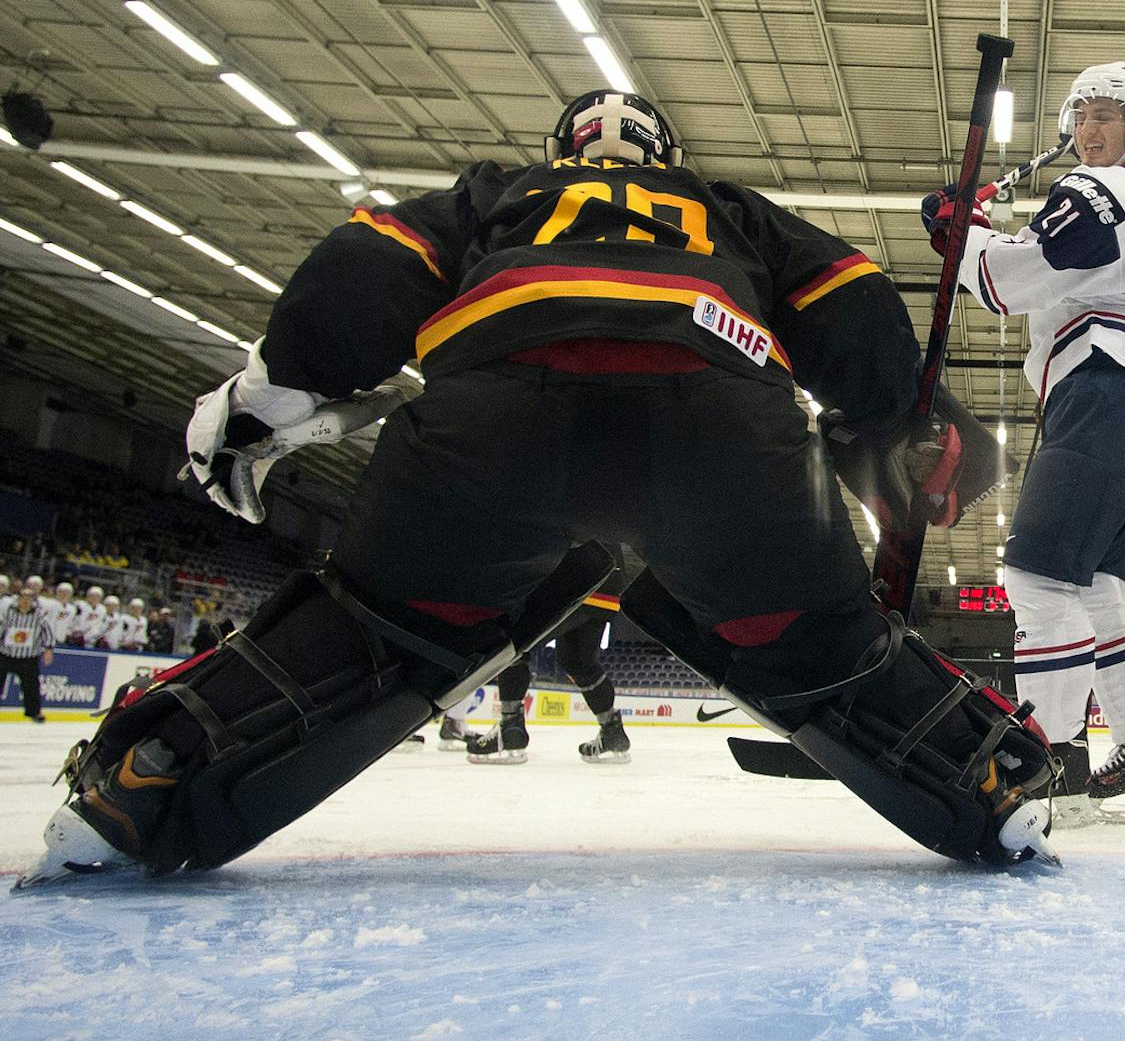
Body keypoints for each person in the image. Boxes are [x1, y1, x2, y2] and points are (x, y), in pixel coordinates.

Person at [21, 88, 1052, 889]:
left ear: (564, 152)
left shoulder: (495, 193)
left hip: (493, 417)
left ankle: (144, 782)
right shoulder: (731, 211)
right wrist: (895, 429)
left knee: (380, 627)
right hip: (720, 425)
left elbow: (364, 265)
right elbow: (852, 299)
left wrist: (275, 384)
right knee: (812, 637)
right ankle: (988, 778)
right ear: (668, 161)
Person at [924, 61, 1125, 826]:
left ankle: (1039, 770)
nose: (1090, 130)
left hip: (1114, 376)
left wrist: (962, 237)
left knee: (1037, 578)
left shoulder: (1107, 193)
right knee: (1098, 589)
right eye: (1081, 117)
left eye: (1108, 117)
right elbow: (1036, 258)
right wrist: (976, 233)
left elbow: (1006, 283)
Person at [465, 577, 632, 766]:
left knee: (514, 641)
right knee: (579, 662)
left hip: (570, 579)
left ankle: (511, 731)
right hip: (606, 584)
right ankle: (612, 732)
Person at [2, 583, 57, 721]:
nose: (25, 600)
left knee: (31, 686)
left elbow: (48, 632)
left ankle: (33, 712)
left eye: (29, 598)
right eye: (23, 597)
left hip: (28, 657)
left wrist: (48, 649)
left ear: (33, 600)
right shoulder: (9, 611)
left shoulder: (39, 614)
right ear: (18, 598)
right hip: (5, 654)